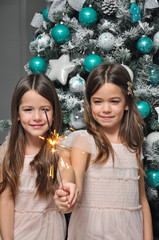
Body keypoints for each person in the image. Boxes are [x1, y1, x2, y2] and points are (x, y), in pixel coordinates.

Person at [54, 63, 153, 240]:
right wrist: (68, 192)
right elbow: (73, 176)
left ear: (127, 103)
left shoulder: (134, 144)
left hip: (130, 232)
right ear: (89, 103)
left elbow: (142, 200)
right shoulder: (84, 140)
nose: (105, 109)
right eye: (98, 101)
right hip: (91, 233)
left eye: (114, 101)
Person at [0, 73, 77, 240]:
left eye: (45, 110)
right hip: (18, 231)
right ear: (18, 114)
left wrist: (67, 189)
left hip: (50, 231)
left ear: (55, 112)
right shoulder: (7, 153)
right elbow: (5, 202)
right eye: (28, 110)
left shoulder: (59, 149)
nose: (37, 117)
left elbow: (67, 172)